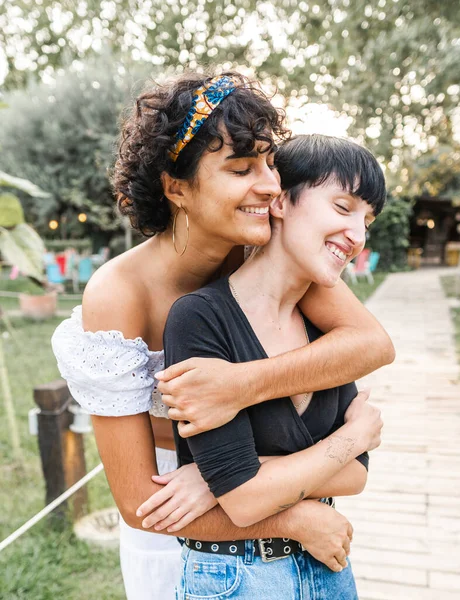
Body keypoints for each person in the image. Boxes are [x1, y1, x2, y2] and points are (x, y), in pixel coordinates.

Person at [52, 73, 394, 600]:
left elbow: (371, 345)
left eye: (269, 164)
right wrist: (289, 516)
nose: (271, 186)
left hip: (266, 482)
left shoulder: (263, 253)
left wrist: (241, 388)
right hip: (178, 523)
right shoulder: (121, 293)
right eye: (241, 169)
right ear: (176, 188)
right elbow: (139, 503)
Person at [143, 133, 385, 599]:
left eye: (367, 219)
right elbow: (245, 500)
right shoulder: (200, 318)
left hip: (327, 565)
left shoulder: (329, 332)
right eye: (342, 207)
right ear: (280, 202)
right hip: (237, 578)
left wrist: (233, 474)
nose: (358, 235)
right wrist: (353, 435)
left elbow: (356, 475)